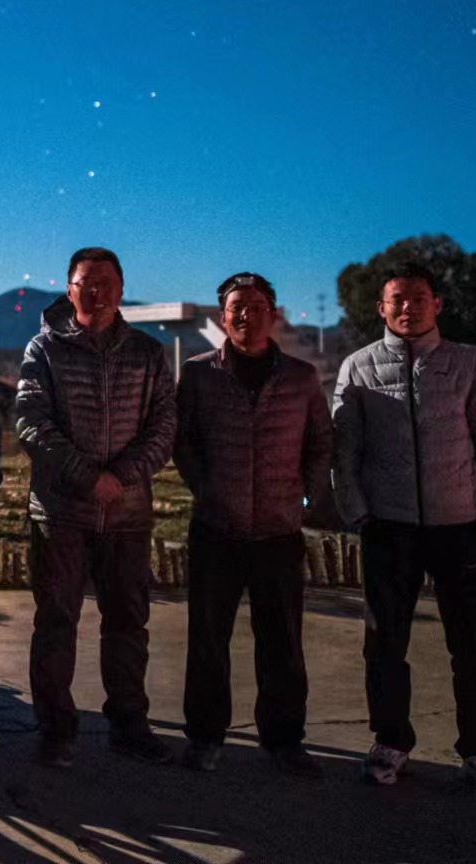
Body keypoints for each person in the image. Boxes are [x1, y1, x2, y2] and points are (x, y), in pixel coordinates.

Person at [332, 264, 476, 802]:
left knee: (475, 646)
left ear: (437, 304)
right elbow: (344, 451)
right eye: (397, 299)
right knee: (384, 644)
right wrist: (358, 513)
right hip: (388, 528)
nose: (407, 307)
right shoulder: (358, 367)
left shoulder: (468, 365)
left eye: (418, 297)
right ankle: (390, 741)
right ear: (381, 308)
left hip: (460, 526)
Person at [16, 246, 177, 767]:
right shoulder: (44, 350)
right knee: (56, 623)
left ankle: (129, 725)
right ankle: (55, 732)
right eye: (87, 282)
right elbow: (31, 421)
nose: (97, 290)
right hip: (61, 512)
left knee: (128, 623)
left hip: (127, 515)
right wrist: (88, 478)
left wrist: (121, 476)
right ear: (70, 290)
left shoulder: (148, 354)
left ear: (122, 289)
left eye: (107, 281)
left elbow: (165, 426)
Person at [172, 272, 332, 776]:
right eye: (236, 307)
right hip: (216, 529)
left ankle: (284, 740)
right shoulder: (198, 374)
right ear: (223, 317)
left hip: (279, 531)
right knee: (207, 641)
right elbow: (182, 441)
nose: (246, 315)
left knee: (282, 643)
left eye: (257, 306)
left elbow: (320, 443)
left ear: (274, 314)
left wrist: (305, 498)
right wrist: (206, 488)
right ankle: (205, 738)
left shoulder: (301, 377)